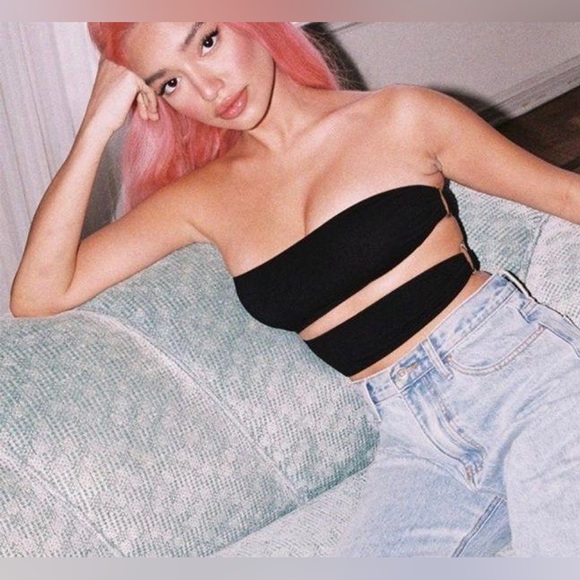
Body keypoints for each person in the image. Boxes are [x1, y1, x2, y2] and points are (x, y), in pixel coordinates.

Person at [10, 22, 580, 556]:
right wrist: (96, 126)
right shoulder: (201, 199)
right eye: (171, 82)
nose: (208, 89)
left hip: (522, 377)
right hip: (412, 436)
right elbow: (38, 293)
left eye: (206, 41)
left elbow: (565, 196)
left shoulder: (402, 115)